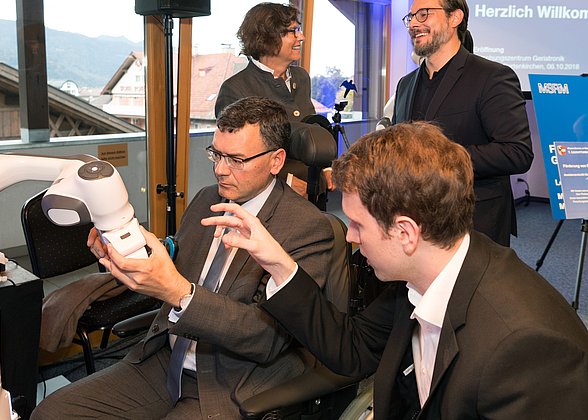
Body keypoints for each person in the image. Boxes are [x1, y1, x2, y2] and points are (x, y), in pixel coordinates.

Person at [202, 122, 588, 419]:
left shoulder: (526, 347)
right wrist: (277, 261)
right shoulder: (422, 273)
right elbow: (352, 350)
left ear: (405, 232)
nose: (351, 238)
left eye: (357, 224)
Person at [31, 97, 334, 419]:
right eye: (216, 154)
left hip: (232, 376)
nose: (220, 170)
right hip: (167, 356)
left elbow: (265, 339)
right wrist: (130, 252)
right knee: (52, 413)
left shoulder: (307, 229)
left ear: (276, 161)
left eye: (236, 159)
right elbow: (180, 256)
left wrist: (177, 292)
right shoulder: (208, 199)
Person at [392, 0, 533, 246]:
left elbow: (517, 152)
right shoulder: (405, 85)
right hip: (414, 223)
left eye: (423, 14)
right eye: (411, 17)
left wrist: (440, 159)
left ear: (455, 18)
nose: (414, 23)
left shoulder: (492, 77)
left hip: (473, 224)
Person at [216, 2, 332, 199]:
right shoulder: (235, 89)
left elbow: (309, 128)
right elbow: (235, 159)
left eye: (299, 30)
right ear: (267, 38)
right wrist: (285, 183)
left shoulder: (301, 77)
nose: (301, 37)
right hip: (270, 201)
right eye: (293, 31)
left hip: (313, 193)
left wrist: (326, 167)